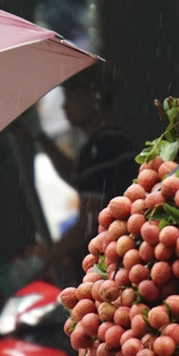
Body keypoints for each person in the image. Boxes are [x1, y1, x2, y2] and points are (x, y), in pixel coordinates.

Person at [33, 65, 135, 279]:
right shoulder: (114, 145)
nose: (63, 106)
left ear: (94, 98)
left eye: (70, 96)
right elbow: (79, 177)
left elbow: (87, 223)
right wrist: (40, 138)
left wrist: (38, 262)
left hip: (110, 264)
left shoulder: (99, 151)